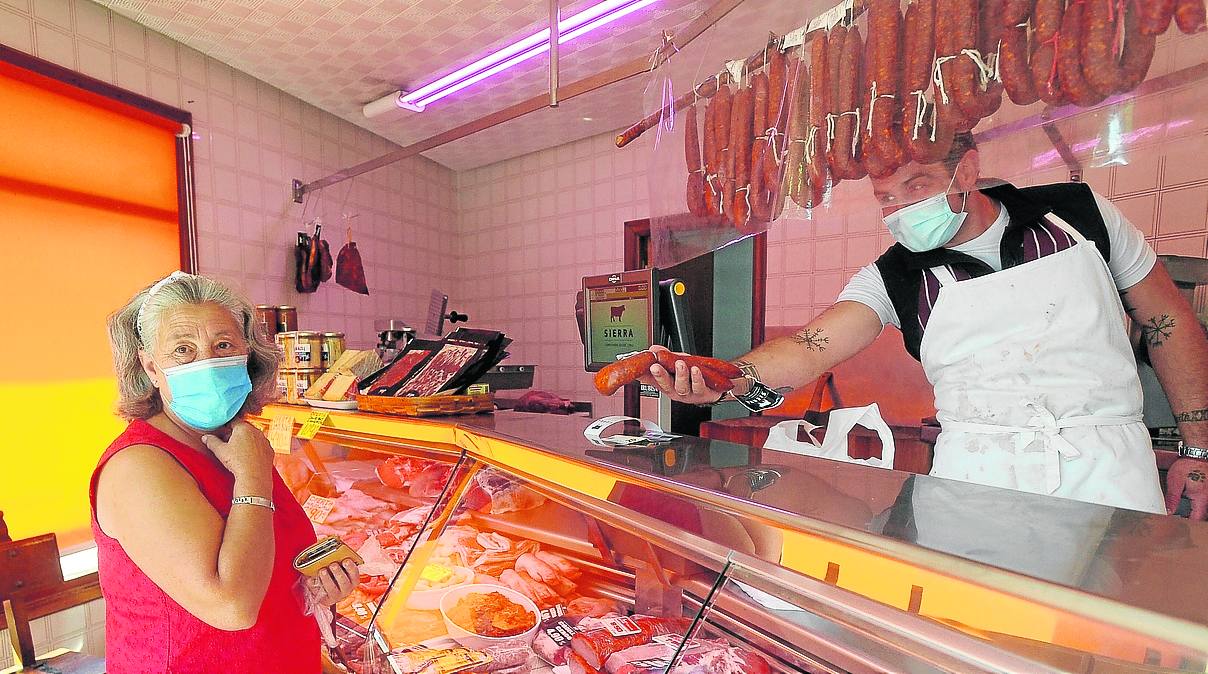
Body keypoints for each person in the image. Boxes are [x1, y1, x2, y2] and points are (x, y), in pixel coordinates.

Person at [641, 133, 1208, 519]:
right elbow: (806, 349)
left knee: (1115, 644)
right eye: (886, 198)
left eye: (915, 186)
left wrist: (1199, 449)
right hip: (975, 481)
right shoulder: (893, 276)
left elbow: (1168, 320)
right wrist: (727, 377)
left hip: (1108, 469)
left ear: (966, 169)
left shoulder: (1080, 216)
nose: (900, 210)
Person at [91, 272, 359, 672]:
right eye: (183, 350)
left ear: (248, 355)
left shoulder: (235, 442)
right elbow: (231, 605)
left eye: (223, 345)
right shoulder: (139, 466)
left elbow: (257, 556)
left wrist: (310, 586)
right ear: (150, 368)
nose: (209, 363)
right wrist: (254, 475)